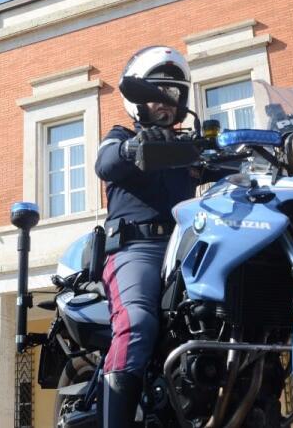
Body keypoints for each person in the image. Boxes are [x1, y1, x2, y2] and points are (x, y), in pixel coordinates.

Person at [94, 46, 197, 428]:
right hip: (137, 249)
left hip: (186, 250)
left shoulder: (188, 146)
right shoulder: (122, 136)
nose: (167, 103)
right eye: (157, 94)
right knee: (137, 321)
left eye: (173, 94)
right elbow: (105, 162)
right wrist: (135, 146)